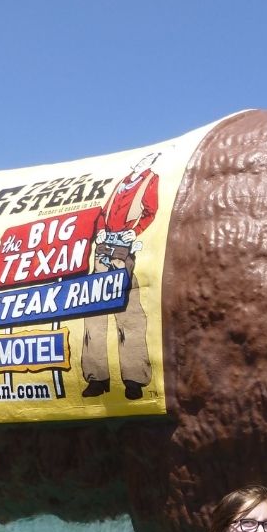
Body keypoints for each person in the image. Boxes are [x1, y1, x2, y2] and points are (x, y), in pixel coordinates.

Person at [80, 151, 159, 400]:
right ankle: (97, 378)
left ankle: (134, 380)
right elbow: (104, 212)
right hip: (103, 248)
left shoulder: (150, 180)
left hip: (124, 250)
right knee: (94, 314)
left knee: (129, 314)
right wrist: (101, 230)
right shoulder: (122, 181)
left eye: (148, 159)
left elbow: (150, 210)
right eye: (143, 159)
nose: (142, 161)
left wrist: (134, 232)